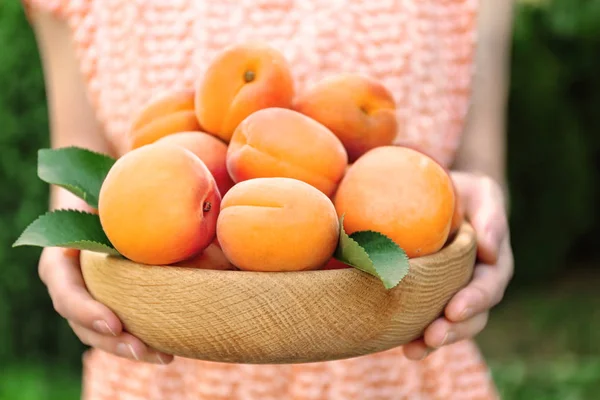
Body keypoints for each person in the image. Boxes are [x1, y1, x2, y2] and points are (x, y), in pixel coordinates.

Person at [24, 0, 514, 399]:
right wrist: (70, 248)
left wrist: (480, 208)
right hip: (157, 371)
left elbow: (477, 167)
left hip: (408, 363)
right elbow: (81, 157)